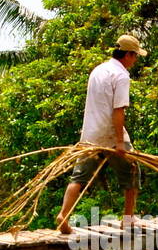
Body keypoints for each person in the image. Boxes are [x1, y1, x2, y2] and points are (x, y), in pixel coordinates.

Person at [55, 33, 147, 234]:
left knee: (78, 178)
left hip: (90, 134)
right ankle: (128, 219)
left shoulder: (98, 70)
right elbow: (118, 111)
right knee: (132, 170)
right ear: (128, 55)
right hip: (110, 135)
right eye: (135, 55)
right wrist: (120, 141)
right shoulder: (121, 76)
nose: (136, 59)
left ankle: (64, 214)